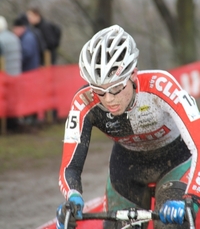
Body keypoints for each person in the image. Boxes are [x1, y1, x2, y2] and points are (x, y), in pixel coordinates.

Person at [56, 25, 200, 229]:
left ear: (133, 74)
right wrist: (73, 197)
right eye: (99, 90)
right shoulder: (84, 101)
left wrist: (192, 195)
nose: (108, 99)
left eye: (115, 88)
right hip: (127, 167)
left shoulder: (161, 86)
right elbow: (70, 164)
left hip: (176, 163)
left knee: (172, 225)